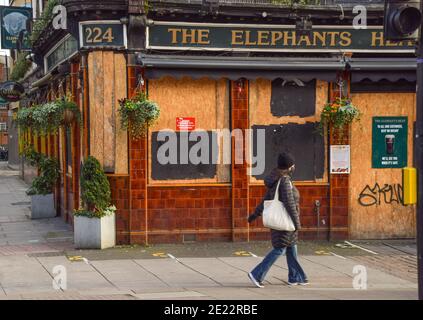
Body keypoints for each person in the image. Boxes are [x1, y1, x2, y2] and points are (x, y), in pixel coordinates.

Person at [247, 152, 308, 287]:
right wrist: (297, 223)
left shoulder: (276, 180)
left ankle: (294, 277)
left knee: (292, 248)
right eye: (293, 164)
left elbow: (265, 200)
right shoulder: (284, 181)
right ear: (289, 166)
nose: (294, 166)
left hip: (283, 221)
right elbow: (290, 204)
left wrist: (254, 214)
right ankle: (257, 274)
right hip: (285, 221)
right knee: (280, 249)